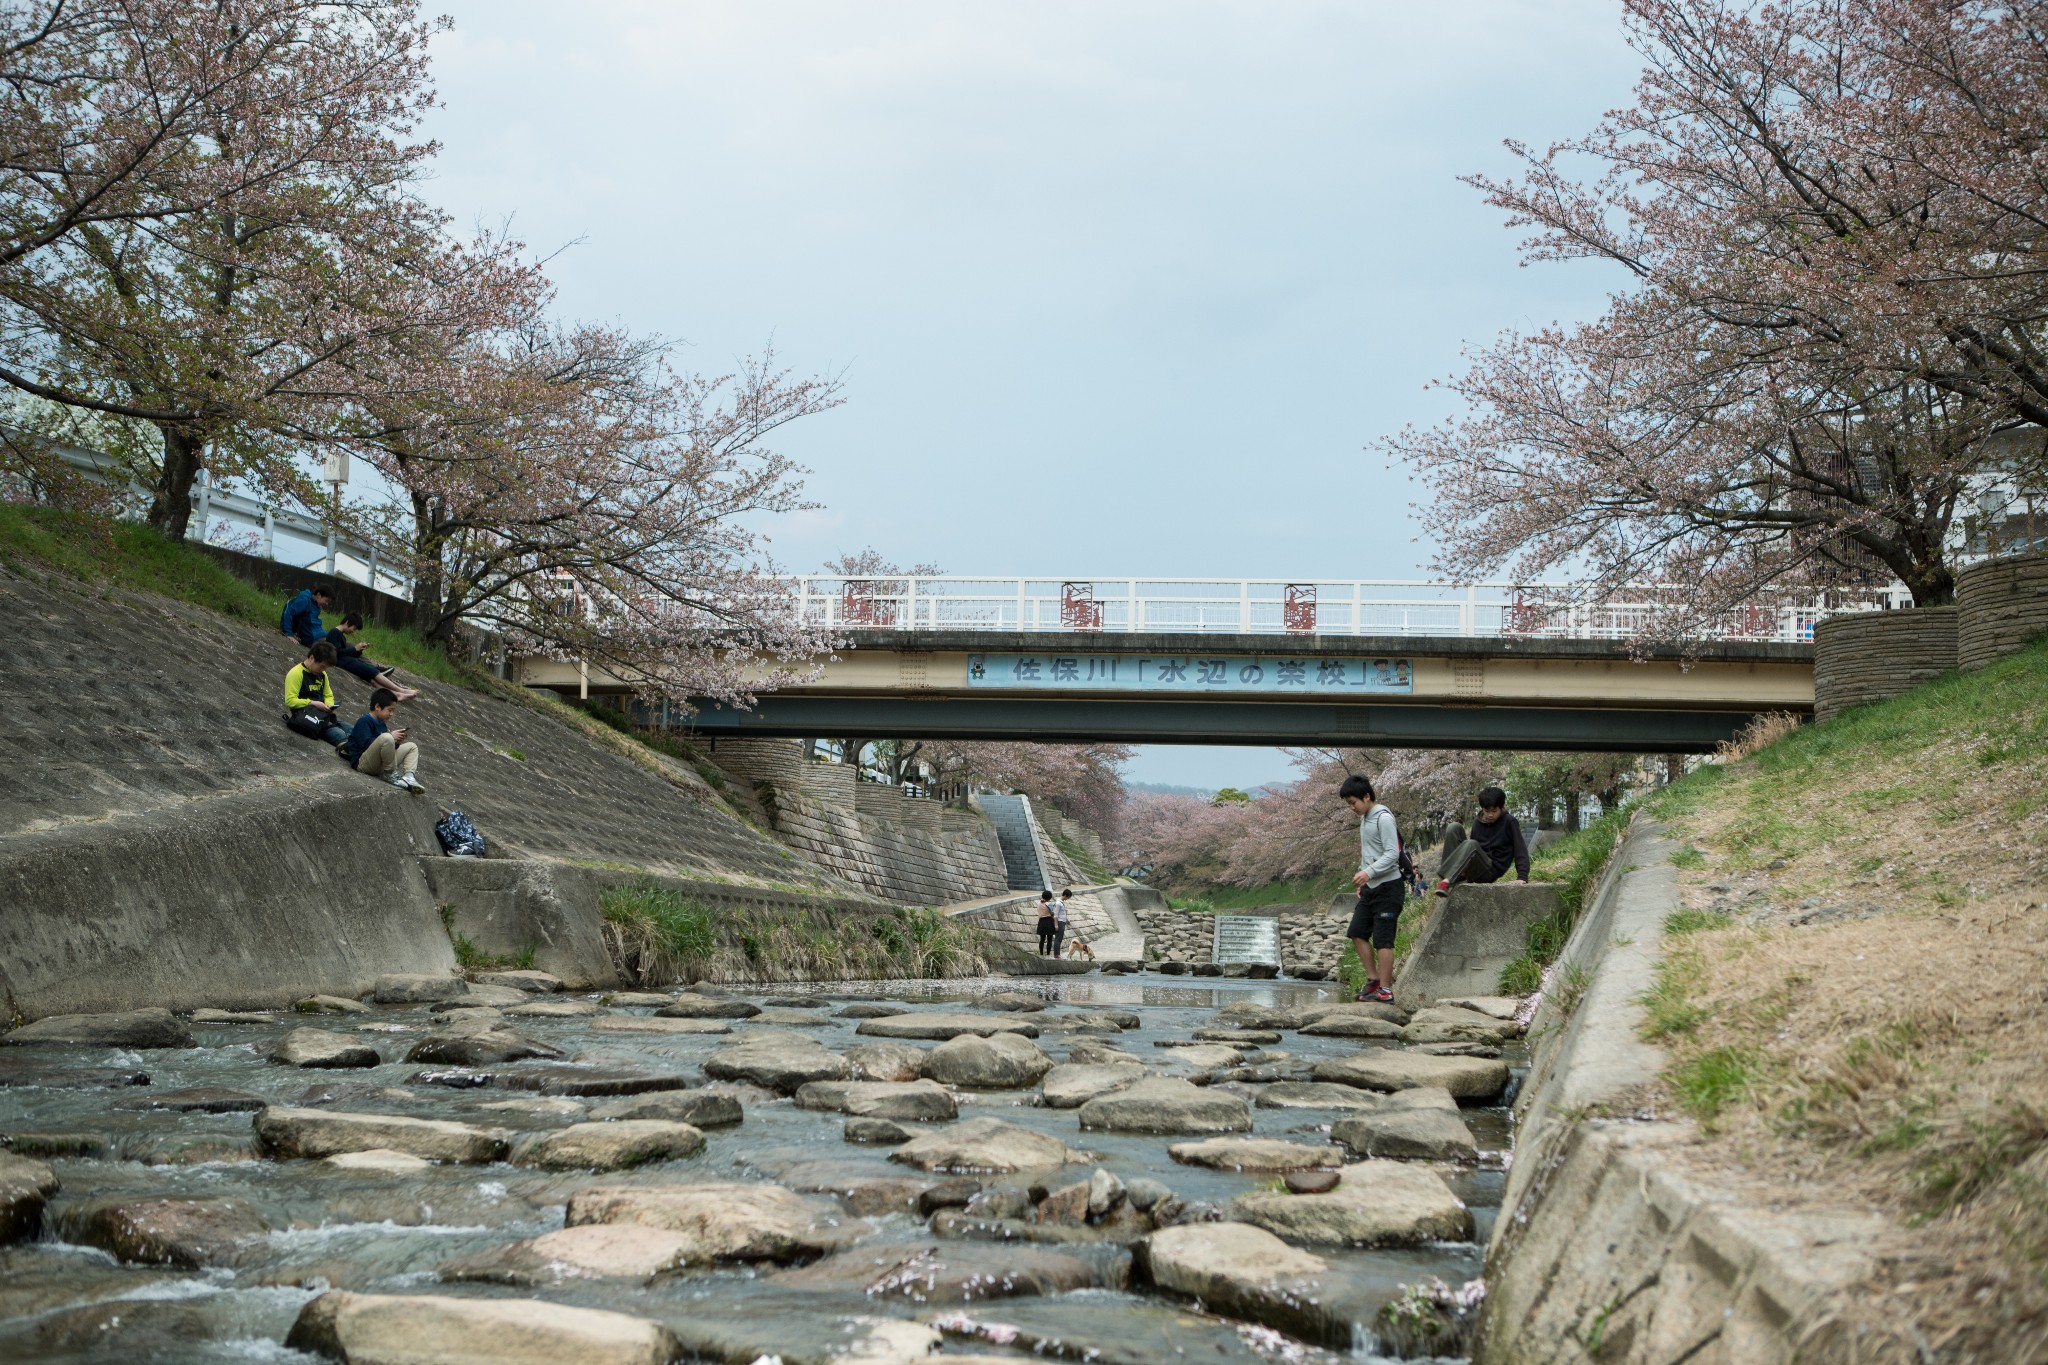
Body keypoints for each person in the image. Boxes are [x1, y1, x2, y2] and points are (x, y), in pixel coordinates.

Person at [1340, 773, 1403, 1003]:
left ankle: (1386, 990)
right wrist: (1363, 877)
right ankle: (1373, 980)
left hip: (1389, 887)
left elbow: (1391, 854)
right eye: (1348, 804)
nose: (1351, 808)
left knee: (1383, 940)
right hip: (1371, 887)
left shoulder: (1383, 818)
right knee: (1356, 932)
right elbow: (1369, 852)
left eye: (1353, 802)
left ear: (1367, 796)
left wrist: (1369, 872)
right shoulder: (1365, 818)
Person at [1436, 787, 1531, 893]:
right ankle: (1449, 877)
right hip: (1476, 867)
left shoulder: (1509, 822)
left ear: (1501, 807)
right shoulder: (1478, 822)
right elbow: (1472, 851)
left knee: (1471, 844)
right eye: (1487, 811)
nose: (1490, 815)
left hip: (1490, 871)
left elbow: (1520, 849)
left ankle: (1446, 881)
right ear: (1482, 808)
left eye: (1494, 811)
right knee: (1453, 827)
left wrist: (1522, 876)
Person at [324, 613, 420, 701]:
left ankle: (395, 694)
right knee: (373, 672)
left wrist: (358, 650)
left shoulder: (341, 636)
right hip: (342, 661)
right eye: (354, 628)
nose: (353, 631)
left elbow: (345, 652)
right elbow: (336, 652)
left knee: (372, 680)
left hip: (345, 660)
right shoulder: (334, 632)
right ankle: (401, 690)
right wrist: (354, 649)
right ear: (347, 622)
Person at [345, 688, 424, 792]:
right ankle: (390, 773)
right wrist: (390, 736)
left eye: (393, 711)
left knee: (412, 746)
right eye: (389, 710)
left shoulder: (382, 724)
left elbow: (386, 747)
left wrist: (396, 742)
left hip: (379, 765)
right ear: (377, 707)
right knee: (387, 737)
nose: (391, 714)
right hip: (363, 764)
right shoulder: (364, 721)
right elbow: (366, 745)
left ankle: (409, 777)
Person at [283, 641, 348, 746]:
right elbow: (290, 701)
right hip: (307, 717)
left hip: (323, 715)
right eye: (322, 666)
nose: (323, 670)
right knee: (341, 736)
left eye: (326, 668)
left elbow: (328, 695)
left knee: (353, 730)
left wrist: (328, 705)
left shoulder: (322, 674)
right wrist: (312, 703)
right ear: (311, 658)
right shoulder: (296, 673)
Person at [280, 584, 337, 648]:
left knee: (340, 643)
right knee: (334, 648)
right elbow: (289, 612)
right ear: (318, 595)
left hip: (320, 635)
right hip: (313, 639)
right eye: (326, 601)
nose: (327, 604)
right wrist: (288, 633)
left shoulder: (315, 605)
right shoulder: (305, 600)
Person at [1051, 888, 1072, 959]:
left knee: (1060, 938)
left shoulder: (1062, 903)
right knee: (1058, 938)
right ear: (1066, 895)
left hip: (1062, 922)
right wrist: (1056, 925)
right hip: (1059, 922)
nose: (1068, 899)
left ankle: (1058, 954)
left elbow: (1062, 914)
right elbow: (1055, 915)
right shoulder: (1058, 903)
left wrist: (1067, 920)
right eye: (1068, 897)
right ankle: (1056, 954)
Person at [1035, 891, 1057, 956]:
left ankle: (1041, 954)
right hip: (1048, 921)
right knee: (1049, 939)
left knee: (1042, 939)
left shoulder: (1039, 903)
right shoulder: (1049, 904)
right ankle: (1048, 954)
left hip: (1041, 921)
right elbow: (1052, 913)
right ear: (1050, 897)